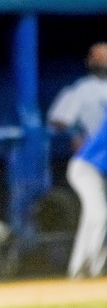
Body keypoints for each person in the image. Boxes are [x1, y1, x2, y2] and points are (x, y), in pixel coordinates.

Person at [65, 113, 107, 278]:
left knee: (91, 219)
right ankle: (92, 266)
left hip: (92, 172)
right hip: (85, 170)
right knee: (100, 216)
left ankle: (77, 268)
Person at [47, 42, 107, 154]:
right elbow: (59, 121)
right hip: (96, 155)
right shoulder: (81, 88)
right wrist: (74, 134)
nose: (103, 61)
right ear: (89, 61)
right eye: (99, 57)